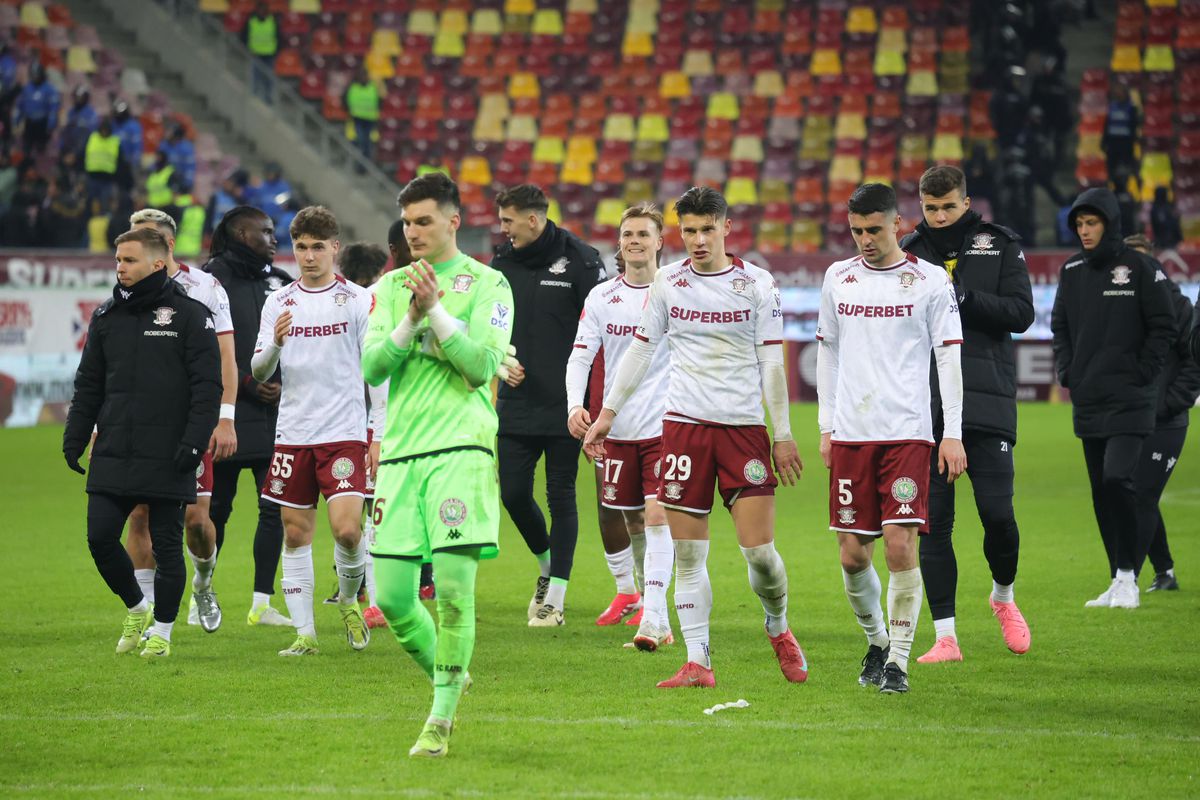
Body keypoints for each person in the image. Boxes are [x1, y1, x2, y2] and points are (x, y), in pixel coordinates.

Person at [583, 186, 808, 689]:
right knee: (688, 556)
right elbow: (641, 350)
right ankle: (697, 661)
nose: (699, 240)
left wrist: (783, 434)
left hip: (743, 430)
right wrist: (608, 413)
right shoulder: (669, 282)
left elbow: (772, 363)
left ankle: (777, 626)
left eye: (708, 229)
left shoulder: (757, 284)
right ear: (678, 232)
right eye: (689, 231)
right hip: (684, 430)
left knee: (760, 555)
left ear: (727, 228)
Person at [362, 172, 515, 757]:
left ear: (454, 221)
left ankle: (441, 717)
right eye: (407, 222)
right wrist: (412, 318)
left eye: (424, 220)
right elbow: (373, 367)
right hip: (400, 455)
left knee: (451, 593)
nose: (413, 231)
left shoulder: (489, 283)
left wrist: (438, 315)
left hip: (461, 449)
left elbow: (481, 367)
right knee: (395, 599)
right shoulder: (389, 287)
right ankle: (450, 674)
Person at [818, 183, 966, 694]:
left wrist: (952, 433)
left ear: (897, 225)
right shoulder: (838, 278)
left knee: (901, 546)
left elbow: (949, 356)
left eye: (874, 229)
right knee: (852, 555)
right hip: (852, 435)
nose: (865, 239)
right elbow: (828, 354)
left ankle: (899, 662)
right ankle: (878, 642)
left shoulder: (929, 281)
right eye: (856, 230)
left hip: (907, 433)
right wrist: (826, 427)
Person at [62, 227, 221, 658]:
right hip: (115, 449)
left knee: (167, 547)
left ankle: (162, 634)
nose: (120, 267)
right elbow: (89, 385)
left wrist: (194, 442)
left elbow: (208, 387)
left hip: (170, 452)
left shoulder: (190, 315)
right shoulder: (106, 316)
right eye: (118, 260)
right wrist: (75, 436)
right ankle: (137, 607)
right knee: (99, 538)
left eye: (129, 260)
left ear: (157, 263)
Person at [899, 165, 1034, 664]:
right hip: (926, 405)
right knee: (934, 525)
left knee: (998, 516)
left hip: (986, 399)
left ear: (966, 202)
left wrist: (964, 299)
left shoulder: (998, 244)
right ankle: (946, 636)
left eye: (948, 207)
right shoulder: (909, 251)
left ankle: (1003, 596)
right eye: (930, 208)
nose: (939, 217)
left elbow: (1022, 313)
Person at [250, 206, 373, 655]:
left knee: (348, 531)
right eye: (301, 247)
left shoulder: (358, 299)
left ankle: (349, 600)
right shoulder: (279, 302)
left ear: (335, 248)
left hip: (344, 433)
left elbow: (376, 371)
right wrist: (276, 343)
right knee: (295, 534)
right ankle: (305, 634)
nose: (308, 256)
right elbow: (259, 370)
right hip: (294, 434)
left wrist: (376, 430)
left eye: (318, 247)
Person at [1051, 188, 1175, 609]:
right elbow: (1060, 326)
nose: (1084, 231)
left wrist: (1143, 373)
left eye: (1092, 223)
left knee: (1117, 479)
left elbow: (1164, 325)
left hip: (1131, 398)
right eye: (1079, 224)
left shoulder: (1141, 268)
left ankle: (1128, 577)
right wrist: (1069, 372)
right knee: (1100, 492)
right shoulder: (1072, 270)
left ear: (1110, 223)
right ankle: (1119, 579)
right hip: (1089, 397)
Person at [118, 209, 239, 632]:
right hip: (138, 422)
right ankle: (148, 616)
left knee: (196, 521)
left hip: (191, 422)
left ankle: (203, 584)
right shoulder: (125, 289)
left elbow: (225, 356)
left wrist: (225, 417)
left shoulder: (205, 288)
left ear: (168, 245)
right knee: (139, 515)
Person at [491, 184, 603, 625]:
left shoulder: (582, 261)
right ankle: (546, 566)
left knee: (561, 494)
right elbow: (490, 326)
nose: (503, 229)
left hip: (565, 404)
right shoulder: (501, 262)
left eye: (508, 221)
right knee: (513, 494)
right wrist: (500, 362)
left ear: (533, 220)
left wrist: (589, 404)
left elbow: (597, 336)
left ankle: (555, 597)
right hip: (517, 400)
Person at [566, 203, 675, 647]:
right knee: (631, 519)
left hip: (666, 425)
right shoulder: (602, 297)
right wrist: (575, 406)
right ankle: (645, 600)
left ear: (659, 241)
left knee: (656, 515)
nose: (634, 241)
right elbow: (581, 355)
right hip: (617, 428)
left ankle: (655, 618)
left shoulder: (676, 291)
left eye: (643, 234)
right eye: (628, 234)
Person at [204, 206, 293, 625]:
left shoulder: (280, 282)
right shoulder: (209, 282)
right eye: (266, 232)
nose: (275, 239)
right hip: (225, 414)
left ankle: (262, 602)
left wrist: (283, 383)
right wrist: (247, 383)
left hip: (275, 417)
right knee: (215, 510)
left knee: (273, 507)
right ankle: (202, 593)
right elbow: (203, 347)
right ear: (241, 234)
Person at [1124, 234, 1198, 593]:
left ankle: (1126, 579)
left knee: (1141, 495)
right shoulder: (1120, 308)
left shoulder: (1178, 306)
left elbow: (1193, 364)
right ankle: (1165, 571)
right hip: (1128, 418)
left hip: (1167, 420)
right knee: (1138, 495)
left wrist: (1168, 405)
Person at [327, 240, 390, 629]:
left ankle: (363, 592)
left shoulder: (346, 306)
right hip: (375, 425)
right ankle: (377, 598)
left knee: (361, 514)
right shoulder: (374, 306)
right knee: (375, 515)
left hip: (349, 427)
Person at [386, 218, 437, 601]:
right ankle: (376, 585)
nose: (420, 245)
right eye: (410, 239)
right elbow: (372, 367)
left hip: (437, 418)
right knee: (392, 506)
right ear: (396, 250)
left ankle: (427, 576)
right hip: (391, 419)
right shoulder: (383, 293)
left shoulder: (443, 289)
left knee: (430, 501)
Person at [14, 64, 59, 157]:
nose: (35, 77)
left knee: (41, 149)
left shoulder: (49, 89)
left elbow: (53, 108)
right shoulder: (27, 88)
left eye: (37, 74)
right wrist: (17, 119)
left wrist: (51, 122)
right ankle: (26, 162)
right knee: (26, 148)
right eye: (33, 74)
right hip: (29, 122)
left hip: (42, 123)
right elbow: (20, 105)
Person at [1102, 85, 1139, 185]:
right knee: (1111, 169)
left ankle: (1126, 187)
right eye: (1117, 93)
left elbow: (1133, 126)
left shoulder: (1131, 108)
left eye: (1121, 92)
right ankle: (1111, 186)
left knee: (1127, 169)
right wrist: (1104, 141)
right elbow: (1107, 125)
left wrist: (1132, 142)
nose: (1119, 95)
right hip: (1112, 143)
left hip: (1125, 143)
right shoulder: (1111, 107)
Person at [84, 118, 121, 209]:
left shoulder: (115, 141)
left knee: (105, 204)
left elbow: (120, 161)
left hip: (107, 180)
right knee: (90, 204)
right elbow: (84, 154)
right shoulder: (92, 138)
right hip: (92, 177)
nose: (104, 132)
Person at [344, 66, 380, 161]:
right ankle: (362, 163)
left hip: (370, 119)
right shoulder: (353, 88)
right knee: (361, 141)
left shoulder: (373, 87)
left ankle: (365, 162)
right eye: (361, 75)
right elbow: (345, 101)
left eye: (364, 75)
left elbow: (379, 101)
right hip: (357, 119)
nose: (363, 77)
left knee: (367, 142)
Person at [244, 2, 278, 101]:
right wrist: (248, 47)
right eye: (260, 10)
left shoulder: (272, 21)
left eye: (264, 10)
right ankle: (254, 94)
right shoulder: (252, 21)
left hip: (269, 53)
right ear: (257, 11)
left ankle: (268, 96)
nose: (262, 12)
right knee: (256, 75)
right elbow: (244, 35)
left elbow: (278, 36)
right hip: (256, 53)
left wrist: (276, 50)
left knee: (269, 76)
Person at [1150, 188, 1183, 252]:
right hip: (1163, 242)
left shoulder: (1168, 206)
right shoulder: (1157, 208)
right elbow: (1162, 224)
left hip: (1171, 241)